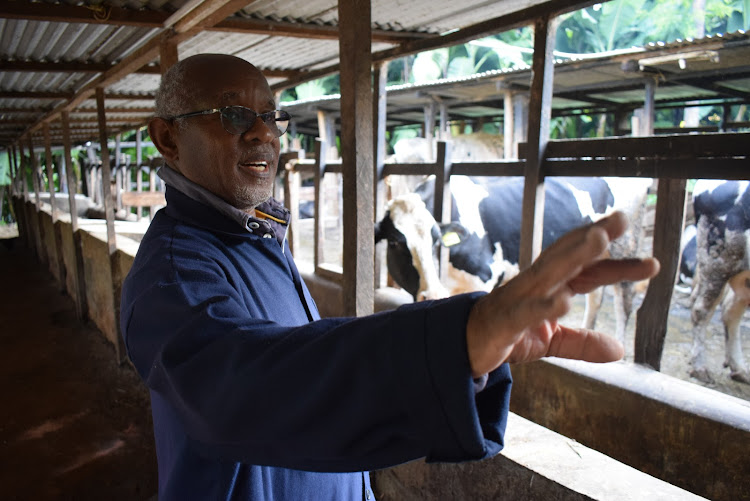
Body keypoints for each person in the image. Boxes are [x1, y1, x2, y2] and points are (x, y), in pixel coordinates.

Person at [120, 53, 660, 500]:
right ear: (168, 139)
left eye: (271, 115)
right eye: (234, 114)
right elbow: (244, 388)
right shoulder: (171, 274)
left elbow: (306, 362)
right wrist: (454, 344)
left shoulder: (257, 236)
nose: (263, 133)